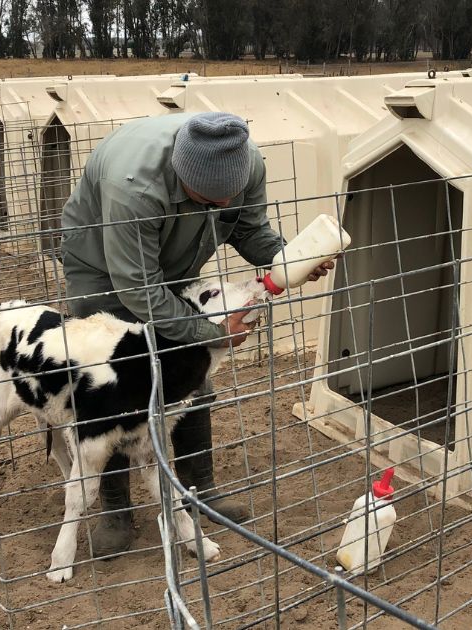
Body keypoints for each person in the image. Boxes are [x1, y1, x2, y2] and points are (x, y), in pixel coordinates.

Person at [59, 112, 334, 557]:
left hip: (172, 261)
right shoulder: (135, 187)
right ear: (182, 176)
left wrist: (290, 258)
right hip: (103, 268)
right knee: (113, 383)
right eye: (208, 199)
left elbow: (248, 229)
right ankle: (115, 507)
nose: (222, 207)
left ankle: (198, 486)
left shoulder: (247, 166)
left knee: (188, 374)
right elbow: (138, 289)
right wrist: (211, 331)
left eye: (228, 198)